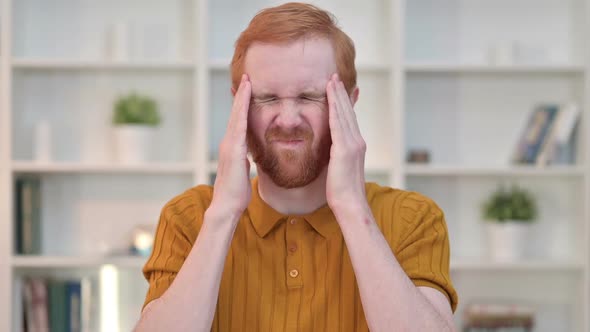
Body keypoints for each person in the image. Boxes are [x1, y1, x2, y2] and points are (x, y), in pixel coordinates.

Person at [135, 2, 458, 331]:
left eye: (308, 96)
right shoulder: (188, 217)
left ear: (350, 102)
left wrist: (351, 207)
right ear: (239, 107)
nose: (288, 121)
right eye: (268, 98)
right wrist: (223, 215)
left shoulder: (413, 218)